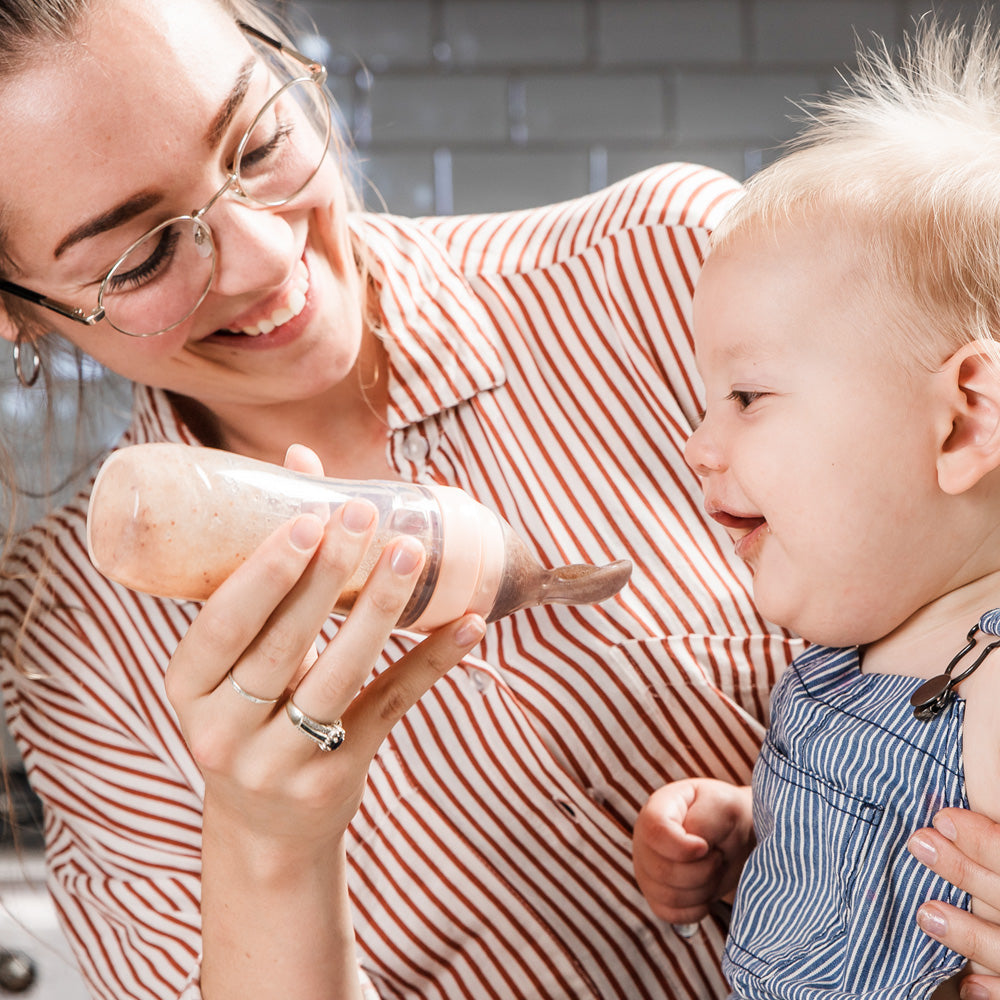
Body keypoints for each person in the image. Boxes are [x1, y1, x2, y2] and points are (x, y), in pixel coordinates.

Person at [0, 0, 801, 997]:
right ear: (17, 310)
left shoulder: (667, 272)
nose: (264, 257)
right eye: (143, 254)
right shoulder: (75, 645)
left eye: (258, 143)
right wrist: (272, 842)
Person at [631, 14, 1000, 1000]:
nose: (698, 444)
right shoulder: (871, 642)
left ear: (962, 422)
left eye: (747, 396)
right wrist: (758, 829)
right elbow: (883, 846)